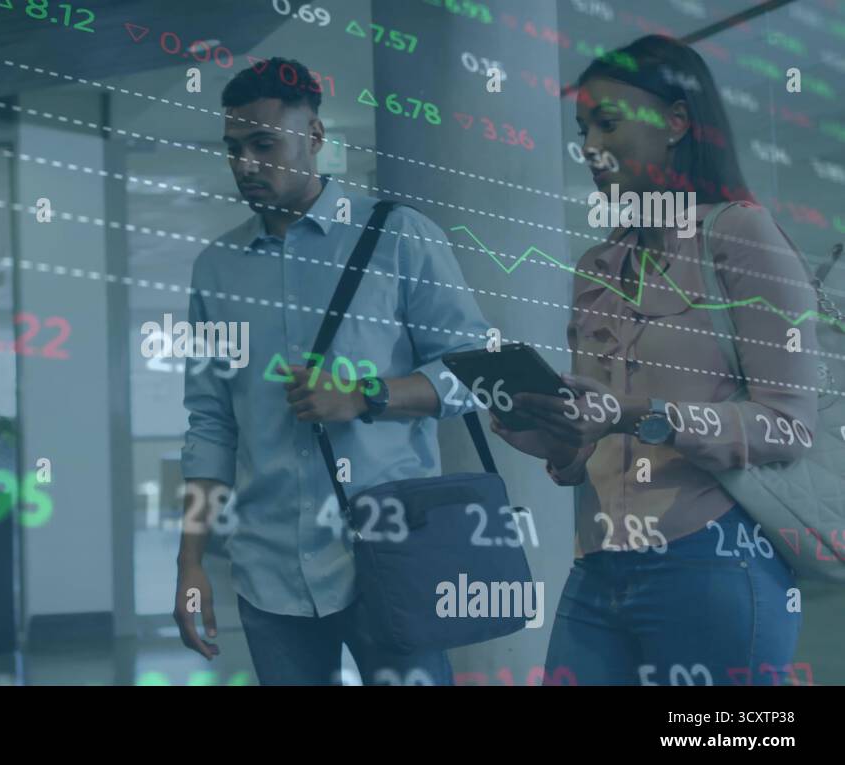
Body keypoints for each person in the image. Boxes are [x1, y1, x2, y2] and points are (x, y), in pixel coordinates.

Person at [493, 36, 819, 685]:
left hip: (715, 559)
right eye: (582, 128)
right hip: (600, 563)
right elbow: (591, 445)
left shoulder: (740, 233)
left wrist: (646, 414)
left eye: (607, 123)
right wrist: (556, 435)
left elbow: (790, 424)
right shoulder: (596, 266)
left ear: (676, 122)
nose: (588, 145)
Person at [171, 57, 493, 685]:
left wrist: (366, 395)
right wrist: (190, 564)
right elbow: (209, 422)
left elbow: (477, 371)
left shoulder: (399, 237)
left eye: (264, 143)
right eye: (233, 148)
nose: (245, 164)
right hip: (267, 571)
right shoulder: (217, 269)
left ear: (314, 136)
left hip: (389, 555)